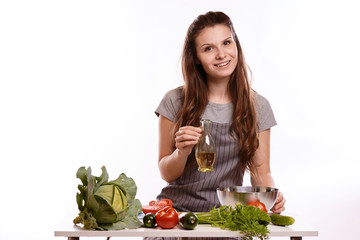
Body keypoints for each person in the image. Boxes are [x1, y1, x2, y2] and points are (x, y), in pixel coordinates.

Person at [154, 11, 285, 216]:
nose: (222, 54)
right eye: (208, 48)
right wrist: (181, 153)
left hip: (229, 219)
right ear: (196, 57)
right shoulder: (175, 101)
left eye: (226, 43)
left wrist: (270, 198)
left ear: (236, 45)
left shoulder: (258, 107)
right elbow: (166, 172)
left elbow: (261, 173)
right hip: (177, 217)